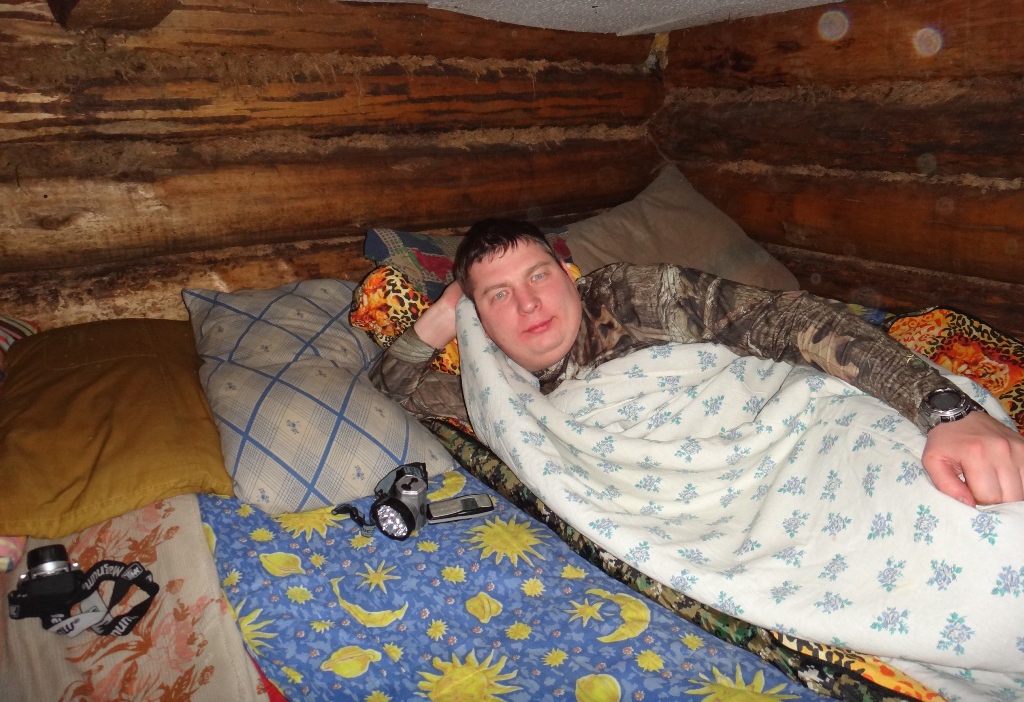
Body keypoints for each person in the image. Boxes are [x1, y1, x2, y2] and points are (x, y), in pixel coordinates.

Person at [371, 218, 1024, 507]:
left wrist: (945, 410)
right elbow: (392, 387)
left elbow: (781, 322)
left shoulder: (628, 297)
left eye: (539, 275)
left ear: (569, 276)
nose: (529, 304)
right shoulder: (499, 394)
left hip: (821, 428)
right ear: (480, 324)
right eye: (498, 296)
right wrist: (443, 317)